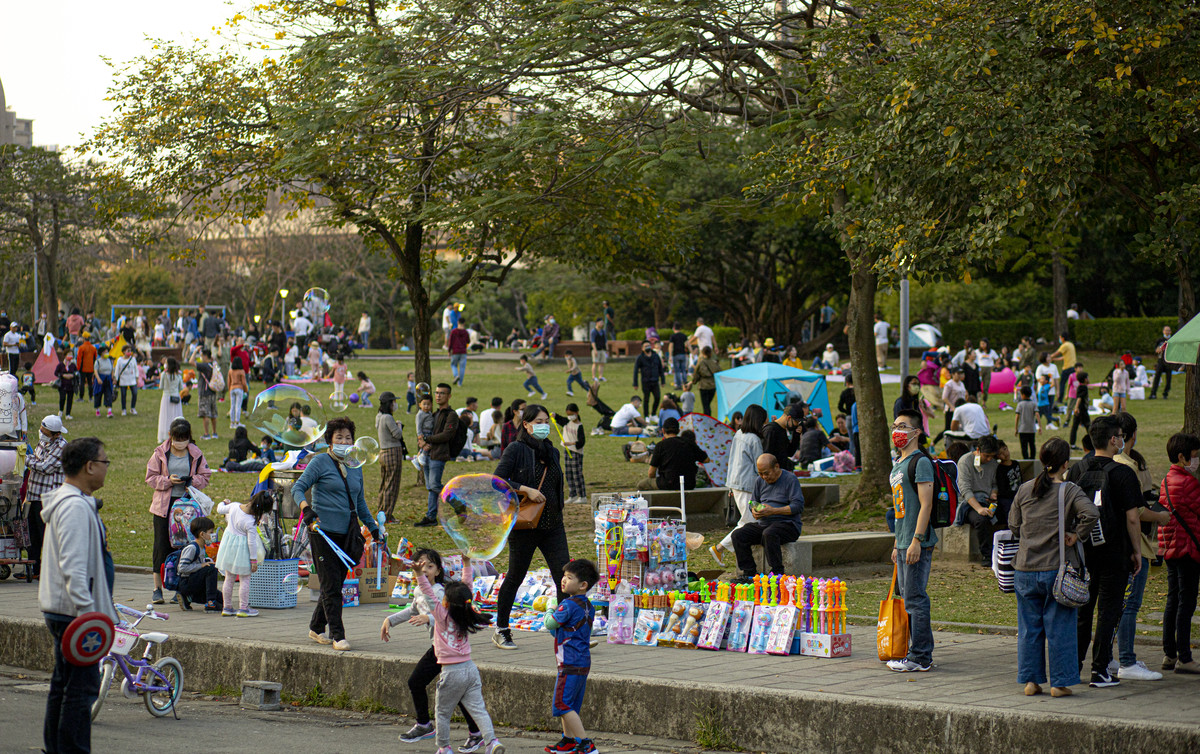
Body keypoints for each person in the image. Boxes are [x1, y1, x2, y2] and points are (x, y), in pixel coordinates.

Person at [39, 436, 118, 754]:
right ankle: (71, 749)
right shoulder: (72, 507)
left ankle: (56, 747)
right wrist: (89, 614)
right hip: (74, 614)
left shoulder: (77, 502)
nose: (106, 468)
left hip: (69, 611)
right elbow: (72, 566)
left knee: (64, 684)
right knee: (81, 690)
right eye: (104, 462)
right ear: (89, 466)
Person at [1009, 437, 1100, 697]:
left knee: (1029, 628)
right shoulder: (1069, 490)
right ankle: (1059, 683)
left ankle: (1031, 682)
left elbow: (1013, 525)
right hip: (1057, 570)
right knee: (1060, 628)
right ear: (1065, 463)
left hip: (1024, 569)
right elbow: (1091, 513)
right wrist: (1075, 534)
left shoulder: (1025, 489)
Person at [1066, 416, 1145, 688]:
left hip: (1083, 552)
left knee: (1082, 611)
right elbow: (1132, 518)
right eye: (1121, 436)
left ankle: (1072, 667)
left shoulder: (1077, 470)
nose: (1122, 440)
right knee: (1109, 612)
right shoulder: (1123, 473)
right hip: (1115, 552)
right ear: (1114, 439)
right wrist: (1137, 551)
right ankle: (1100, 670)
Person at [294, 417, 384, 651]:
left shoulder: (356, 465)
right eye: (339, 437)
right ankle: (337, 635)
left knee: (333, 584)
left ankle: (315, 627)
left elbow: (360, 501)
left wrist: (373, 527)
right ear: (330, 442)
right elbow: (298, 488)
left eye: (348, 437)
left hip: (347, 535)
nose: (344, 441)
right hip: (322, 532)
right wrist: (307, 510)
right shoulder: (320, 462)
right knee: (332, 586)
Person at [385, 549, 486, 749]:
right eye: (421, 565)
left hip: (447, 650)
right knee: (423, 684)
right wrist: (390, 620)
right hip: (439, 649)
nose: (425, 569)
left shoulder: (440, 592)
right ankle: (438, 727)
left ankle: (432, 727)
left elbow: (448, 615)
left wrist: (429, 618)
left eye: (430, 566)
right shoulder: (418, 591)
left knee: (424, 684)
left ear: (438, 571)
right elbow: (413, 610)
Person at [493, 405, 571, 651]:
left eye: (546, 421)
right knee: (516, 576)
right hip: (526, 525)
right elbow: (497, 481)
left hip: (553, 525)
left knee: (565, 578)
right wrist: (525, 489)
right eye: (538, 421)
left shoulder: (552, 451)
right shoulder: (516, 449)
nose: (543, 425)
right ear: (525, 424)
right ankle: (501, 630)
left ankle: (565, 633)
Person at [412, 556, 505, 754]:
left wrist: (419, 574)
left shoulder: (441, 615)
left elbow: (428, 593)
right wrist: (467, 564)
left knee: (442, 713)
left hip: (451, 672)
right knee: (478, 710)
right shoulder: (464, 613)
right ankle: (492, 742)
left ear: (445, 602)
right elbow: (467, 588)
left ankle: (444, 747)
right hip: (470, 669)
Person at [1110, 411, 1170, 681]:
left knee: (1113, 605)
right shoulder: (1127, 466)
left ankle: (1109, 659)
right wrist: (1160, 516)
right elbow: (1136, 512)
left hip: (1112, 544)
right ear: (1132, 434)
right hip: (1137, 545)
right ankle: (1127, 661)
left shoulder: (1106, 462)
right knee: (1129, 606)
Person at [887, 409, 936, 672]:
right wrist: (898, 543)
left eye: (903, 426)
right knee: (909, 598)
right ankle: (920, 652)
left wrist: (916, 539)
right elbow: (899, 509)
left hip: (918, 540)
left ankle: (920, 657)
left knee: (915, 598)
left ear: (916, 432)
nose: (897, 431)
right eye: (895, 425)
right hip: (904, 539)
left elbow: (926, 505)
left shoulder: (921, 462)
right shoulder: (898, 462)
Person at [145, 418, 212, 604]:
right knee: (161, 547)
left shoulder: (195, 454)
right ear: (170, 436)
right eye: (177, 438)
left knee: (185, 547)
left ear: (189, 438)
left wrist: (191, 481)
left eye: (184, 438)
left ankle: (180, 588)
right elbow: (150, 478)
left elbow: (205, 476)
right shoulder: (160, 453)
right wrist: (167, 480)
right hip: (164, 508)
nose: (180, 442)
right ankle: (157, 589)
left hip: (187, 507)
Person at [542, 559, 600, 754]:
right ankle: (568, 741)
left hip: (569, 663)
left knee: (561, 704)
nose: (563, 581)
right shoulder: (588, 606)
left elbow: (550, 624)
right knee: (571, 704)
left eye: (569, 577)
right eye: (564, 576)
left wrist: (550, 607)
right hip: (582, 662)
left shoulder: (567, 605)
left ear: (583, 585)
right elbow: (563, 631)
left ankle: (585, 743)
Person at [1159, 432, 1200, 674]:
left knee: (1173, 600)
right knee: (1187, 602)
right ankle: (1185, 657)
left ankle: (1169, 654)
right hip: (1187, 548)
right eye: (1195, 456)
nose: (1197, 461)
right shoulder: (1188, 482)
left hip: (1170, 548)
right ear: (1182, 457)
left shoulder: (1167, 480)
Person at [709, 405, 767, 567]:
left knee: (749, 519)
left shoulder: (739, 433)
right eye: (763, 421)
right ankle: (719, 548)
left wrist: (730, 486)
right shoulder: (754, 440)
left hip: (736, 481)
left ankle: (720, 548)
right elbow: (760, 465)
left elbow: (733, 458)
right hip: (746, 485)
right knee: (749, 521)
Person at [731, 453, 804, 577]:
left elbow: (798, 506)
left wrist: (774, 511)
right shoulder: (759, 481)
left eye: (766, 473)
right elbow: (753, 502)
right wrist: (755, 511)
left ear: (776, 467)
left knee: (770, 533)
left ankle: (777, 572)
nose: (764, 477)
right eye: (760, 473)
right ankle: (749, 572)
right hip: (765, 523)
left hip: (787, 524)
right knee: (738, 535)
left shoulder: (790, 479)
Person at [215, 493, 272, 617]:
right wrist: (253, 560)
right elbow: (251, 543)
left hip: (228, 547)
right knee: (245, 579)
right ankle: (243, 608)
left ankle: (227, 607)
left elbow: (219, 509)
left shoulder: (234, 506)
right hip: (242, 550)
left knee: (229, 578)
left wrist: (224, 502)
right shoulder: (250, 521)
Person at [25, 415, 68, 578]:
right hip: (34, 494)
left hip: (48, 498)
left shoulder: (62, 447)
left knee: (47, 536)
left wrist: (25, 459)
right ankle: (34, 569)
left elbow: (45, 467)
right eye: (41, 430)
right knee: (32, 535)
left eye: (45, 432)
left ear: (56, 434)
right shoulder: (44, 441)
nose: (42, 434)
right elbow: (38, 459)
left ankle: (52, 571)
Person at [415, 384, 460, 528]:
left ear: (449, 396)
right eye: (437, 393)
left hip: (439, 454)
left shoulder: (451, 415)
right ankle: (430, 517)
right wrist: (422, 443)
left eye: (442, 393)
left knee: (434, 484)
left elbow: (447, 435)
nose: (438, 395)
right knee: (430, 487)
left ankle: (458, 504)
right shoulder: (433, 414)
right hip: (428, 453)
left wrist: (427, 440)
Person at [956, 435, 1003, 564]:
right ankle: (986, 555)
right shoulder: (965, 461)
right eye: (986, 456)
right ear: (978, 450)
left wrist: (993, 494)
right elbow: (965, 489)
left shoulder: (993, 464)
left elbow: (994, 484)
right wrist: (979, 508)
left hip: (987, 500)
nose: (989, 459)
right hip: (969, 503)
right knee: (981, 520)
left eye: (992, 456)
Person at [638, 417, 709, 491]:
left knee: (642, 485)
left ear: (663, 430)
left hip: (667, 483)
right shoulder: (689, 443)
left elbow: (651, 473)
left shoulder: (660, 445)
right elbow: (706, 460)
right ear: (678, 431)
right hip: (689, 484)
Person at [176, 516, 222, 612]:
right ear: (202, 534)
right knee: (211, 569)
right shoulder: (192, 548)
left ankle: (189, 598)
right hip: (187, 582)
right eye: (211, 532)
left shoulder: (202, 547)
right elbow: (182, 568)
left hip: (196, 582)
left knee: (223, 600)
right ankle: (210, 603)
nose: (212, 535)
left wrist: (205, 562)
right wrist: (201, 566)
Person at [374, 391, 405, 523]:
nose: (395, 404)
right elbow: (397, 435)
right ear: (389, 404)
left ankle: (381, 511)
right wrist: (399, 425)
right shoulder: (388, 417)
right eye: (394, 402)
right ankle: (387, 515)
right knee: (392, 485)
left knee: (384, 484)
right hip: (392, 452)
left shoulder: (379, 416)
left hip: (383, 453)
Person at [555, 404, 587, 504]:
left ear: (576, 413)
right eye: (568, 415)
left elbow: (582, 442)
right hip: (567, 450)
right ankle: (572, 495)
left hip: (576, 452)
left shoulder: (579, 426)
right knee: (569, 474)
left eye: (571, 414)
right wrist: (554, 415)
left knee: (577, 474)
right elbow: (559, 418)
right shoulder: (566, 422)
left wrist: (571, 443)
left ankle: (582, 496)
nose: (570, 417)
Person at [761, 402, 804, 472]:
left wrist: (796, 435)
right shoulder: (771, 430)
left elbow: (789, 452)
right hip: (773, 474)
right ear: (789, 418)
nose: (797, 424)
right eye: (797, 421)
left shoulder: (782, 429)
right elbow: (766, 456)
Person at [633, 340, 664, 417]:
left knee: (657, 397)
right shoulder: (640, 358)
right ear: (642, 348)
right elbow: (636, 371)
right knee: (646, 399)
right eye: (646, 346)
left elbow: (660, 368)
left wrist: (663, 380)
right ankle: (646, 416)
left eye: (649, 345)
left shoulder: (656, 356)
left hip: (655, 381)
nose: (648, 347)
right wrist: (635, 383)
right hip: (645, 381)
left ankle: (653, 414)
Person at [156, 357, 184, 443]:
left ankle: (163, 435)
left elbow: (161, 387)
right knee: (176, 415)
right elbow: (181, 387)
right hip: (176, 396)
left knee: (165, 416)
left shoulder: (164, 374)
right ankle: (178, 433)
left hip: (166, 397)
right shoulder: (178, 375)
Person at [688, 346, 720, 417]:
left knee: (706, 406)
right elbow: (719, 371)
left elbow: (696, 374)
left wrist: (693, 382)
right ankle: (709, 418)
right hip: (712, 386)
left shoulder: (701, 362)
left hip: (703, 386)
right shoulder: (714, 362)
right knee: (708, 404)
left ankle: (707, 420)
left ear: (702, 353)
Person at [114, 344, 139, 417]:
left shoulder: (133, 359)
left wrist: (137, 377)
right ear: (124, 352)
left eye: (130, 351)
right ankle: (123, 409)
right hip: (123, 380)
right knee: (123, 395)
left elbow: (135, 369)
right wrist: (116, 378)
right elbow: (117, 370)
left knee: (134, 393)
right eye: (128, 351)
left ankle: (133, 408)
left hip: (132, 379)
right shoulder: (120, 360)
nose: (129, 352)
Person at [1051, 332, 1077, 398]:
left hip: (1067, 367)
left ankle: (1060, 399)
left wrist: (1048, 357)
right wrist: (1055, 359)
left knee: (1062, 383)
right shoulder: (1071, 344)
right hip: (1073, 367)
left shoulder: (1064, 345)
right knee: (1073, 383)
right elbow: (1064, 357)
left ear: (1063, 338)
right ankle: (1073, 397)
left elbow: (1057, 353)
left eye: (1060, 338)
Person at [1014, 386, 1037, 460]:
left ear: (1023, 394)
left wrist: (1016, 428)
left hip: (1022, 429)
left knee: (1024, 446)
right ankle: (1032, 458)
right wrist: (1039, 426)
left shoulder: (1020, 404)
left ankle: (1026, 459)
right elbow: (1037, 414)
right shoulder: (1033, 404)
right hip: (1031, 429)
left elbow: (1017, 416)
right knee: (1032, 444)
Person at [54, 348, 77, 420]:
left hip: (71, 385)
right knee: (62, 398)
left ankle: (68, 414)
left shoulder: (73, 365)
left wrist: (72, 375)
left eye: (71, 355)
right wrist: (63, 375)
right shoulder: (61, 365)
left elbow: (77, 373)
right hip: (62, 385)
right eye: (69, 354)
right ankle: (60, 411)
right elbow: (56, 373)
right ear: (65, 355)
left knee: (70, 399)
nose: (70, 356)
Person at [1151, 325, 1173, 399]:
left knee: (1169, 378)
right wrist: (1159, 349)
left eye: (1168, 330)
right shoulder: (1160, 340)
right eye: (1166, 330)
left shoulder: (1173, 339)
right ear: (1163, 331)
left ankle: (1165, 393)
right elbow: (1156, 350)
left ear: (1170, 331)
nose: (1167, 332)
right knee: (1157, 376)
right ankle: (1153, 393)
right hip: (1161, 360)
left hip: (1169, 361)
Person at [975, 338, 999, 402]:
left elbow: (997, 359)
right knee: (977, 385)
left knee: (986, 387)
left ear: (987, 344)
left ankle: (984, 402)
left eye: (983, 344)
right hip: (980, 369)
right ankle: (976, 400)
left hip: (988, 369)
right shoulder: (977, 351)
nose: (982, 345)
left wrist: (994, 366)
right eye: (981, 344)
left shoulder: (992, 352)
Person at [227, 357, 248, 429]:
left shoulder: (230, 371)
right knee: (238, 406)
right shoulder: (241, 371)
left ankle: (231, 423)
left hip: (232, 388)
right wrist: (246, 390)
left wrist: (229, 389)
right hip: (239, 388)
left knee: (232, 406)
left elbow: (229, 382)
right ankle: (237, 422)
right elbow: (244, 383)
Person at [667, 323, 689, 390]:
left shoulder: (673, 336)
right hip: (683, 354)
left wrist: (670, 356)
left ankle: (679, 385)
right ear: (680, 328)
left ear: (673, 328)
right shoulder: (684, 336)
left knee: (677, 371)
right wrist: (692, 352)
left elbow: (671, 346)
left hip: (675, 355)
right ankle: (685, 383)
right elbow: (688, 344)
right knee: (683, 370)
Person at [75, 334, 97, 401]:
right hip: (91, 368)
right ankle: (91, 397)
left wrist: (78, 368)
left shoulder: (81, 348)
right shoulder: (93, 348)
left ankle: (81, 397)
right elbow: (95, 358)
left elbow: (79, 359)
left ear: (84, 339)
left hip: (83, 368)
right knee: (90, 383)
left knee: (82, 383)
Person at [449, 321, 470, 386]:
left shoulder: (454, 331)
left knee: (453, 365)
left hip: (455, 351)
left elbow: (450, 342)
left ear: (458, 322)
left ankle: (456, 375)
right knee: (462, 368)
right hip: (463, 351)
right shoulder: (466, 332)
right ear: (464, 323)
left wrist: (449, 350)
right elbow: (468, 341)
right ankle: (460, 383)